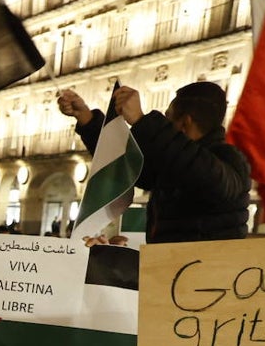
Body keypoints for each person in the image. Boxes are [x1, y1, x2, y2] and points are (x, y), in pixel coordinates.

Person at [58, 81, 251, 243]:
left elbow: (209, 178)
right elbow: (129, 164)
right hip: (168, 270)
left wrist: (143, 121)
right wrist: (87, 120)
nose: (166, 125)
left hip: (207, 277)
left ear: (185, 123)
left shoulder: (228, 159)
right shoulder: (175, 163)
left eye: (168, 119)